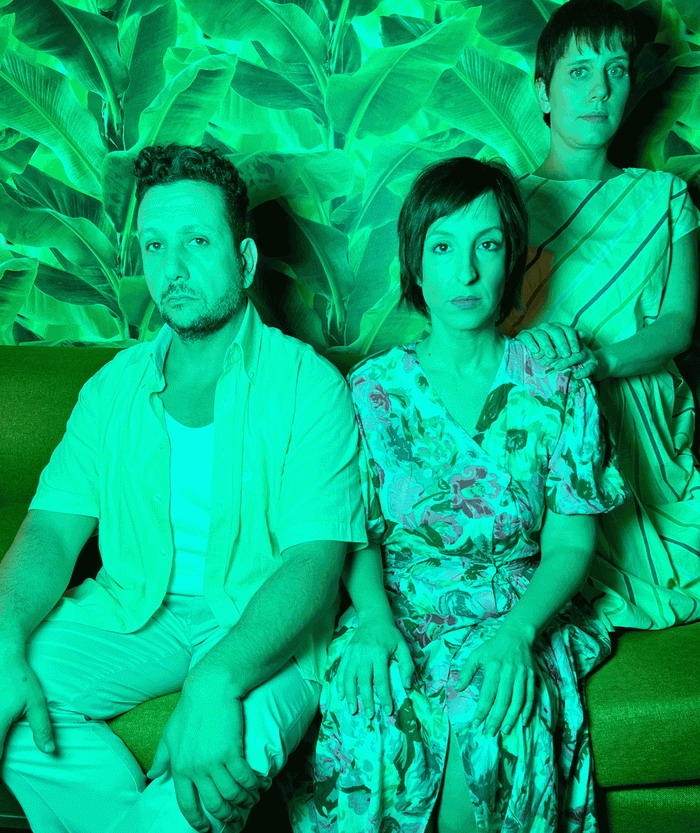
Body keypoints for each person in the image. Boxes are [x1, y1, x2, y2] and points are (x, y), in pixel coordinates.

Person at [0, 144, 365, 833]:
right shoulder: (111, 389)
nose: (173, 267)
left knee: (197, 797)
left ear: (245, 260)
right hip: (137, 608)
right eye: (155, 244)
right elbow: (50, 530)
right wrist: (4, 633)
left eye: (197, 241)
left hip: (263, 625)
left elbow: (313, 564)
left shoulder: (309, 385)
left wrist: (215, 678)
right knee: (6, 692)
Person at [290, 157, 626, 833]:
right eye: (442, 247)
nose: (465, 272)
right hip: (399, 605)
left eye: (487, 244)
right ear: (416, 265)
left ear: (513, 258)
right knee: (371, 712)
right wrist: (374, 619)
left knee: (492, 719)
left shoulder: (558, 384)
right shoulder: (370, 391)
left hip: (517, 608)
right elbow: (357, 529)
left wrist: (520, 634)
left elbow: (570, 540)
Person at [504, 0, 700, 630]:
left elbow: (678, 324)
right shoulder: (504, 204)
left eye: (616, 70)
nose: (599, 89)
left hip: (643, 419)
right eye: (579, 71)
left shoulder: (663, 196)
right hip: (542, 426)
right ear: (544, 90)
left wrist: (603, 361)